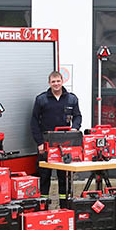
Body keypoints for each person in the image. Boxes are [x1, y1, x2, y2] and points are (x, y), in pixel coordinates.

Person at [30, 70, 82, 202]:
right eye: (53, 81)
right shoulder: (41, 99)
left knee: (63, 174)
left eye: (58, 81)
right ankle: (44, 203)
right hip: (46, 142)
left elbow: (77, 116)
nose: (56, 84)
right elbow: (34, 121)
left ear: (62, 81)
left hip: (64, 142)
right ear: (49, 83)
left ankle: (64, 204)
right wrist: (39, 142)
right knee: (44, 175)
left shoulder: (71, 98)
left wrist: (75, 128)